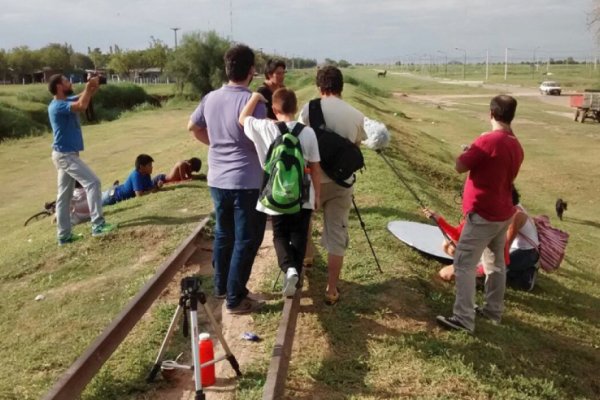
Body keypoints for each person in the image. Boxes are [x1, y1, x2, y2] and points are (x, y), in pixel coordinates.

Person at [187, 44, 267, 315]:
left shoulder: (210, 98)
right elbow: (262, 140)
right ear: (252, 71)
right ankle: (235, 298)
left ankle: (222, 287)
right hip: (246, 180)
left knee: (224, 232)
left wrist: (216, 143)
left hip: (217, 179)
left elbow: (193, 127)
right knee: (246, 239)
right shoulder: (254, 103)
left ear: (227, 69)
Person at [436, 95, 524, 333]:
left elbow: (460, 166)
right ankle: (493, 312)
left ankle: (463, 318)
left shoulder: (489, 141)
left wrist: (470, 149)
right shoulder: (515, 144)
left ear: (491, 114)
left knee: (463, 264)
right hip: (503, 212)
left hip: (483, 214)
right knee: (495, 263)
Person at [239, 88, 321, 297]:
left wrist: (256, 97)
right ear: (295, 107)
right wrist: (317, 195)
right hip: (302, 194)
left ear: (274, 109)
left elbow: (242, 118)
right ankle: (296, 273)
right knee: (299, 234)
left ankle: (289, 269)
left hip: (275, 195)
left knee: (280, 234)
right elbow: (315, 167)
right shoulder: (308, 132)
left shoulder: (265, 127)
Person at [298, 66, 367, 305]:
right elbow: (355, 148)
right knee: (337, 234)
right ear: (341, 87)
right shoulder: (356, 115)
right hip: (341, 184)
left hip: (311, 179)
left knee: (305, 219)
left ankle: (307, 257)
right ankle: (331, 289)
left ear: (320, 87)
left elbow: (299, 140)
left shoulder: (309, 109)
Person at [424, 187, 539, 291]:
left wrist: (480, 268)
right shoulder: (491, 211)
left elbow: (503, 251)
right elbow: (459, 234)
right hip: (499, 251)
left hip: (525, 253)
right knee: (449, 248)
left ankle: (524, 278)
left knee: (446, 273)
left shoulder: (515, 216)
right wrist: (438, 219)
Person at [47, 74, 115, 245]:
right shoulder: (57, 106)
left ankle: (64, 236)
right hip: (65, 156)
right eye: (65, 81)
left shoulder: (66, 100)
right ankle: (98, 226)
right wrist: (87, 88)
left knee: (64, 197)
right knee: (93, 183)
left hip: (65, 154)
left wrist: (93, 85)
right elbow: (81, 105)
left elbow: (86, 96)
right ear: (58, 87)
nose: (69, 82)